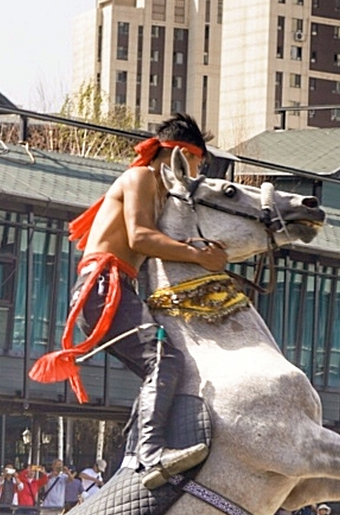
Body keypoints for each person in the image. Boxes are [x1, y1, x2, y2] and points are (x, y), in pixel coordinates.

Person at [28, 114, 222, 489]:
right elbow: (140, 239)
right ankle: (149, 455)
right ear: (181, 154)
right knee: (166, 360)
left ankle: (139, 453)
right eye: (198, 162)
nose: (197, 171)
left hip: (111, 287)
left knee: (166, 368)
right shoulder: (142, 177)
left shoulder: (155, 188)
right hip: (105, 286)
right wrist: (198, 256)